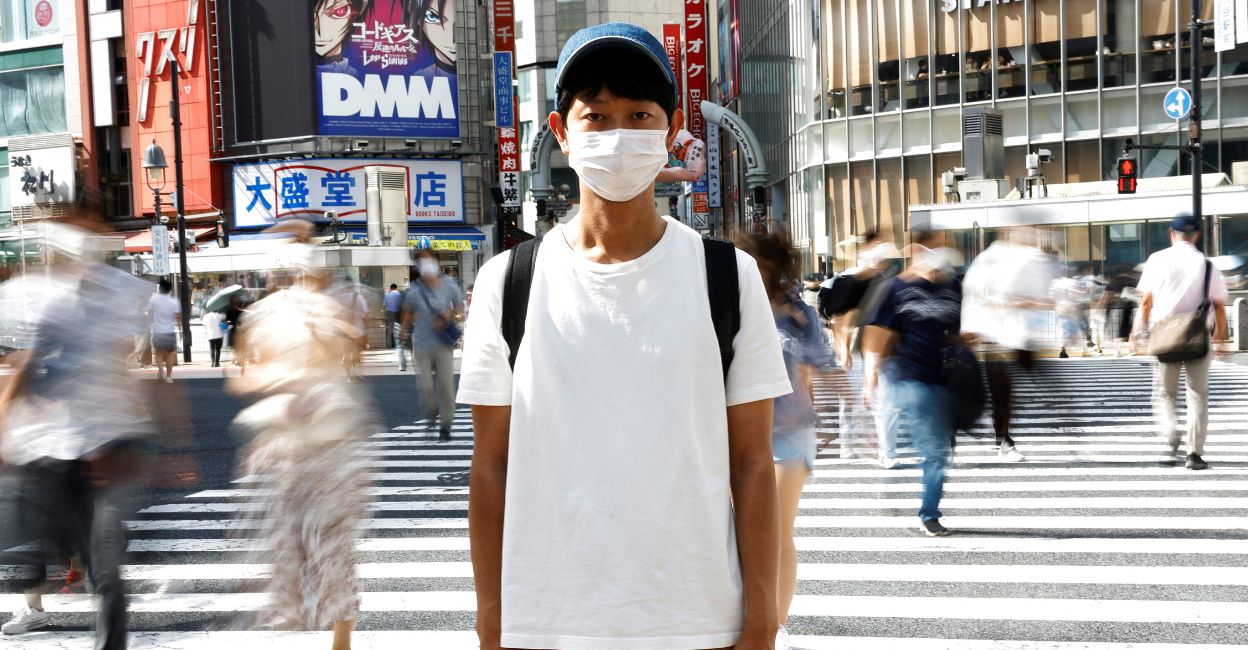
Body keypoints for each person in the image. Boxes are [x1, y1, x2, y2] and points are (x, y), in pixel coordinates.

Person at [458, 23, 790, 650]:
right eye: (596, 115)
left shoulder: (726, 275)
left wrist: (760, 621)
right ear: (560, 132)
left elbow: (751, 464)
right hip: (548, 623)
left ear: (668, 130)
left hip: (699, 621)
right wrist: (491, 618)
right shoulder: (510, 282)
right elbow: (491, 468)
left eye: (639, 114)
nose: (618, 135)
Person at [0, 251, 152, 648]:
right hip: (46, 453)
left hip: (94, 450)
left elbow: (123, 381)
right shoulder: (39, 308)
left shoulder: (100, 318)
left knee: (102, 569)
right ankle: (34, 603)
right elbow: (23, 370)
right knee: (44, 542)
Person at [229, 261, 372, 650]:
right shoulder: (264, 315)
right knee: (292, 548)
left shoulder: (332, 309)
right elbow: (242, 376)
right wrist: (281, 380)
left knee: (334, 549)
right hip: (292, 448)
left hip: (336, 448)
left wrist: (323, 333)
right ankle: (304, 621)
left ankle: (341, 642)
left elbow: (356, 349)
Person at [737, 233, 829, 650]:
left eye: (760, 265)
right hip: (735, 436)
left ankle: (777, 624)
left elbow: (812, 372)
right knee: (736, 532)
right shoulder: (726, 310)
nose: (752, 271)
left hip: (790, 433)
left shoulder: (798, 315)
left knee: (775, 530)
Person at [863, 245, 964, 537]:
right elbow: (879, 333)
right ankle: (929, 515)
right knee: (934, 452)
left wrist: (967, 340)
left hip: (945, 378)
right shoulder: (897, 288)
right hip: (912, 378)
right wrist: (870, 376)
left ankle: (928, 510)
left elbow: (953, 330)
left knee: (939, 449)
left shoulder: (952, 288)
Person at [1135, 214, 1229, 470]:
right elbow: (1219, 306)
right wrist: (1221, 339)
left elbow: (1146, 301)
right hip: (1199, 337)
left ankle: (1169, 441)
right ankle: (1194, 454)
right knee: (1197, 396)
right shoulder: (1209, 265)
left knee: (1165, 394)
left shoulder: (1158, 260)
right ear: (1197, 235)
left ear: (1171, 233)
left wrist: (1138, 331)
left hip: (1165, 337)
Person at [961, 228, 1054, 462]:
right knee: (999, 393)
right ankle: (1001, 440)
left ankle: (1003, 439)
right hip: (992, 336)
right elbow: (986, 298)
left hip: (1013, 337)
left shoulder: (1025, 259)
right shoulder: (991, 260)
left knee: (1005, 393)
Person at [402, 250, 463, 441]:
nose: (428, 265)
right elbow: (407, 313)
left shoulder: (450, 285)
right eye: (424, 262)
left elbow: (461, 310)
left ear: (437, 263)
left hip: (443, 345)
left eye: (431, 261)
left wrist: (449, 315)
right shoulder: (414, 290)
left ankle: (446, 426)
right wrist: (404, 329)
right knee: (426, 387)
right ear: (418, 267)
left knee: (447, 387)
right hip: (421, 344)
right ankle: (432, 411)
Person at [148, 278, 181, 383]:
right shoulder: (174, 301)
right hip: (170, 331)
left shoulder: (153, 300)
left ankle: (160, 370)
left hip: (157, 331)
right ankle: (169, 377)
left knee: (158, 353)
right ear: (170, 289)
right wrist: (180, 330)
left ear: (160, 289)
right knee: (170, 354)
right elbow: (177, 317)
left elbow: (149, 315)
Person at [384, 283, 403, 349]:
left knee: (390, 330)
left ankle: (389, 346)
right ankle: (397, 346)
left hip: (389, 313)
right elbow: (401, 304)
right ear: (396, 288)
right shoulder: (399, 295)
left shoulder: (387, 295)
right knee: (397, 329)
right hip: (398, 313)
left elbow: (384, 305)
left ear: (391, 288)